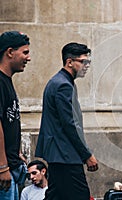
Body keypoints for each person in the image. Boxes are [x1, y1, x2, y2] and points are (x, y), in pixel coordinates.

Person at [35, 42, 99, 200]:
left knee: (55, 196)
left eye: (88, 62)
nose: (86, 66)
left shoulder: (59, 81)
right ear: (69, 62)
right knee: (81, 195)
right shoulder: (63, 85)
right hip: (65, 155)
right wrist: (86, 155)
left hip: (59, 154)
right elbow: (69, 124)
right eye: (83, 61)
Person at [0, 31, 31, 200]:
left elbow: (8, 120)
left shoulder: (7, 80)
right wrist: (3, 166)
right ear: (10, 52)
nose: (28, 58)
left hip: (11, 165)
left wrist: (15, 151)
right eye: (25, 52)